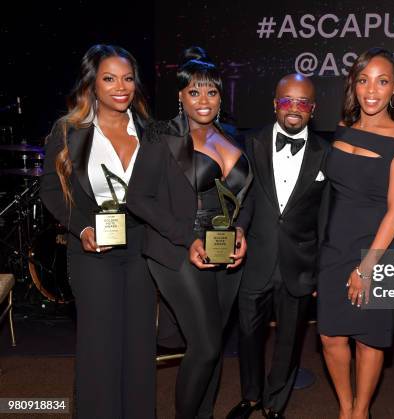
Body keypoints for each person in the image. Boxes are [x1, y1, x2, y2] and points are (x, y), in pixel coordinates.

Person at [127, 47, 250, 419]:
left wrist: (242, 230)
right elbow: (138, 198)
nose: (203, 100)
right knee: (208, 344)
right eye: (194, 92)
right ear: (180, 96)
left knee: (210, 345)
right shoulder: (160, 136)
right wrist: (186, 237)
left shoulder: (231, 135)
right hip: (177, 248)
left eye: (211, 92)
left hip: (226, 249)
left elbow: (249, 194)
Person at [40, 44, 156, 419]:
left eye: (127, 78)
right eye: (109, 78)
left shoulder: (151, 132)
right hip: (93, 249)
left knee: (139, 345)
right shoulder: (69, 131)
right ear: (93, 83)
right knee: (100, 346)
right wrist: (82, 228)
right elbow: (51, 192)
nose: (121, 87)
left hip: (141, 247)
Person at [317, 48, 394, 419]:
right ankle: (345, 406)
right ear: (353, 85)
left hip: (379, 250)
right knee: (330, 335)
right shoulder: (343, 129)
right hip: (336, 244)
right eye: (363, 80)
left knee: (368, 338)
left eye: (382, 80)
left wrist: (367, 267)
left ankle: (361, 412)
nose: (371, 90)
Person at [225, 73, 329, 419]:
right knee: (248, 336)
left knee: (289, 341)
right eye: (287, 100)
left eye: (303, 102)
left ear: (312, 109)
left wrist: (320, 272)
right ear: (275, 104)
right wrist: (237, 229)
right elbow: (242, 199)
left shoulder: (325, 153)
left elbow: (325, 218)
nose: (294, 108)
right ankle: (251, 396)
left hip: (298, 264)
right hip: (255, 258)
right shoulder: (249, 143)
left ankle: (275, 403)